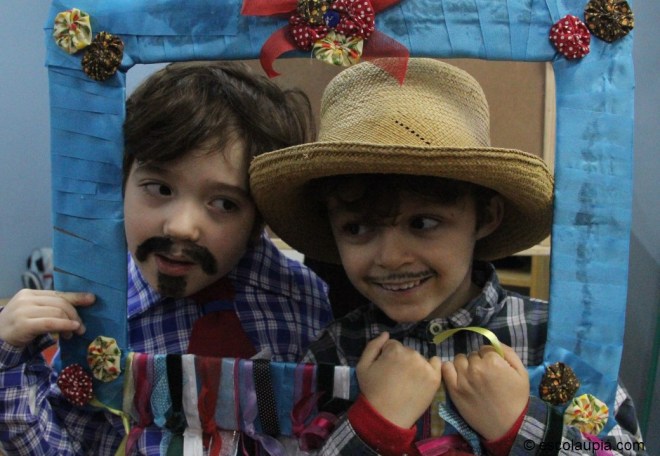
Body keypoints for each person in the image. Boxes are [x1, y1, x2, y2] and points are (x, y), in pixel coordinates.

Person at [250, 58, 647, 455]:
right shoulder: (331, 352)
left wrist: (519, 427)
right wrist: (374, 425)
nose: (390, 257)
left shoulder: (554, 341)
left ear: (486, 216)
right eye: (356, 229)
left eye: (423, 223)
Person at [0, 61, 332, 455]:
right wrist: (8, 359)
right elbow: (67, 446)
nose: (181, 227)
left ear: (259, 217)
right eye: (159, 188)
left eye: (224, 203)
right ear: (120, 184)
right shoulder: (93, 317)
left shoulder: (304, 301)